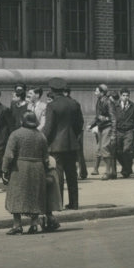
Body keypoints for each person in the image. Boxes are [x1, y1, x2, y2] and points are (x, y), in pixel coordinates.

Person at [2, 112, 50, 235]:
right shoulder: (41, 136)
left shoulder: (16, 134)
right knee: (35, 196)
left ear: (22, 121)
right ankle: (34, 224)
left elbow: (9, 155)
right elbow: (46, 157)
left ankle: (17, 225)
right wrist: (46, 169)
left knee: (17, 196)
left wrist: (4, 170)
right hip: (38, 169)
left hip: (19, 168)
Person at [42, 78, 84, 210]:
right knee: (72, 175)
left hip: (56, 144)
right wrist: (73, 136)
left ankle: (58, 203)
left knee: (58, 175)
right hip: (72, 144)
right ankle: (74, 203)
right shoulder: (74, 104)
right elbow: (79, 124)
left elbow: (49, 128)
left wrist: (44, 141)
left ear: (52, 90)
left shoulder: (52, 105)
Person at [110, 89, 134, 178]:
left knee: (127, 150)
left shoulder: (133, 106)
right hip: (118, 130)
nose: (125, 97)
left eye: (127, 95)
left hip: (129, 131)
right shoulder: (115, 106)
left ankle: (126, 170)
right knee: (117, 151)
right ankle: (127, 168)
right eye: (124, 95)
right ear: (120, 96)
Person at [91, 84, 114, 179]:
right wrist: (92, 124)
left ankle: (108, 172)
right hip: (101, 127)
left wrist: (113, 132)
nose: (95, 93)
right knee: (100, 148)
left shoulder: (108, 102)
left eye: (97, 91)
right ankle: (107, 171)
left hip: (107, 127)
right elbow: (98, 115)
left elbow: (113, 118)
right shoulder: (99, 101)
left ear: (102, 92)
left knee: (104, 148)